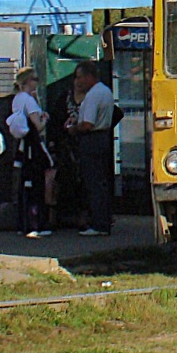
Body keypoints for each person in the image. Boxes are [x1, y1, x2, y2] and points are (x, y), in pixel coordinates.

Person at [71, 61, 114, 237]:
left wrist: (74, 128)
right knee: (101, 183)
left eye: (80, 77)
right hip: (104, 137)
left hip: (92, 140)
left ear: (89, 76)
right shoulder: (106, 91)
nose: (77, 81)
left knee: (93, 183)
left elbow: (88, 124)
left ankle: (98, 224)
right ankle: (104, 220)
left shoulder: (93, 95)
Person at [10, 68, 52, 239]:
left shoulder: (17, 99)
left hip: (21, 145)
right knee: (38, 184)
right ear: (28, 81)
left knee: (24, 185)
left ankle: (24, 223)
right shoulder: (30, 101)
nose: (37, 82)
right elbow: (38, 125)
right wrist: (45, 118)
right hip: (33, 146)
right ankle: (39, 223)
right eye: (35, 79)